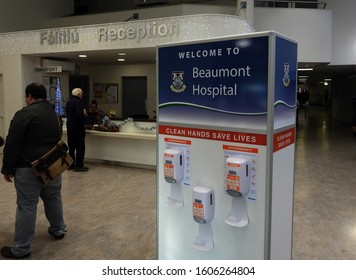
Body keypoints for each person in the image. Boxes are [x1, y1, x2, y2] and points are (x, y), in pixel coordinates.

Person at [1, 83, 66, 259]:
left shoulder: (24, 114)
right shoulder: (55, 114)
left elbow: (12, 143)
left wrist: (6, 168)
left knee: (27, 206)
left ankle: (20, 249)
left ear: (29, 96)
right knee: (53, 197)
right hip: (53, 165)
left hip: (27, 168)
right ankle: (58, 229)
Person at [66, 88, 89, 172]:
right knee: (80, 146)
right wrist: (84, 117)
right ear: (79, 94)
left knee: (71, 147)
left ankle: (71, 165)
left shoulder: (69, 102)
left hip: (70, 126)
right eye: (82, 94)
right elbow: (79, 116)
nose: (82, 95)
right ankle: (79, 165)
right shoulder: (79, 102)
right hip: (78, 127)